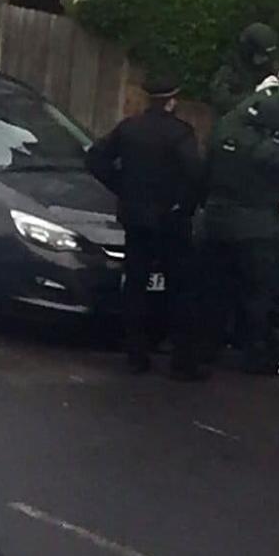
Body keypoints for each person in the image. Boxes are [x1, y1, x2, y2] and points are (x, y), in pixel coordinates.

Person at [86, 72, 204, 377]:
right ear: (172, 100)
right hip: (171, 221)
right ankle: (182, 362)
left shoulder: (129, 129)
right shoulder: (181, 134)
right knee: (182, 288)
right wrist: (185, 206)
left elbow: (96, 158)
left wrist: (121, 187)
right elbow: (196, 175)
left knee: (135, 285)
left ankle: (135, 355)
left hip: (136, 219)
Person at [202, 96, 279, 374]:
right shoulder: (267, 150)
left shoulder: (225, 138)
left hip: (217, 224)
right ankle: (255, 354)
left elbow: (204, 174)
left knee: (216, 291)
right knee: (260, 294)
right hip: (257, 231)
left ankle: (209, 347)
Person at [209, 22, 279, 114]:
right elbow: (222, 103)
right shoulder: (229, 70)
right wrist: (256, 94)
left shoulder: (270, 66)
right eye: (260, 55)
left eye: (267, 56)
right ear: (248, 51)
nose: (265, 59)